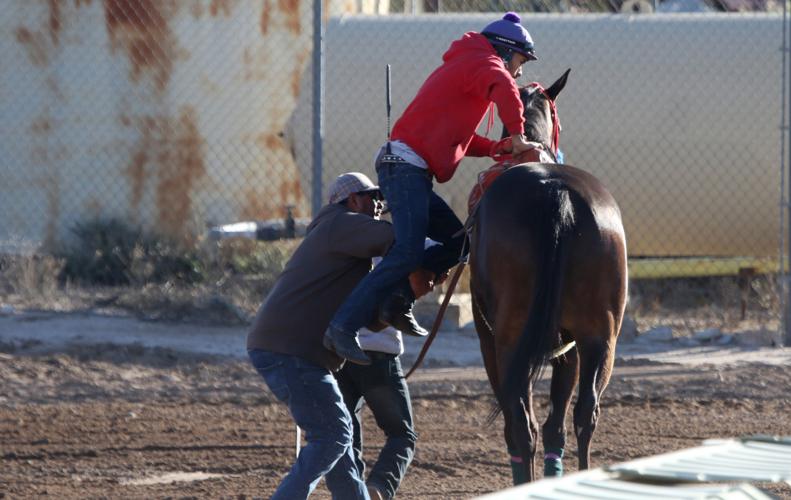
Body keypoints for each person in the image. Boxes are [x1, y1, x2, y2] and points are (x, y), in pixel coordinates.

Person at [324, 12, 540, 364]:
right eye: (520, 61)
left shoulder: (470, 65)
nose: (519, 72)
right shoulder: (483, 62)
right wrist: (517, 134)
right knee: (408, 251)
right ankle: (342, 326)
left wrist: (496, 148)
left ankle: (396, 300)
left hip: (411, 170)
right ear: (504, 51)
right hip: (404, 167)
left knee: (460, 243)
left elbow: (460, 139)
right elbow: (504, 84)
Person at [247, 172, 392, 500]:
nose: (378, 204)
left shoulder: (341, 239)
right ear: (352, 200)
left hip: (290, 348)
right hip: (292, 351)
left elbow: (367, 318)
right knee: (332, 435)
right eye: (372, 197)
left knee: (339, 443)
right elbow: (393, 238)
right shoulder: (341, 224)